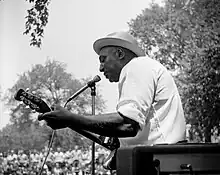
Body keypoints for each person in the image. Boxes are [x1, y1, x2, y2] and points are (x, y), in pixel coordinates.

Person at [38, 31, 186, 169]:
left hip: (160, 163)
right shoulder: (143, 70)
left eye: (103, 60)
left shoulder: (136, 66)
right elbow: (130, 127)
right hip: (163, 160)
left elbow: (127, 125)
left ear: (120, 53)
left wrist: (70, 118)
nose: (101, 68)